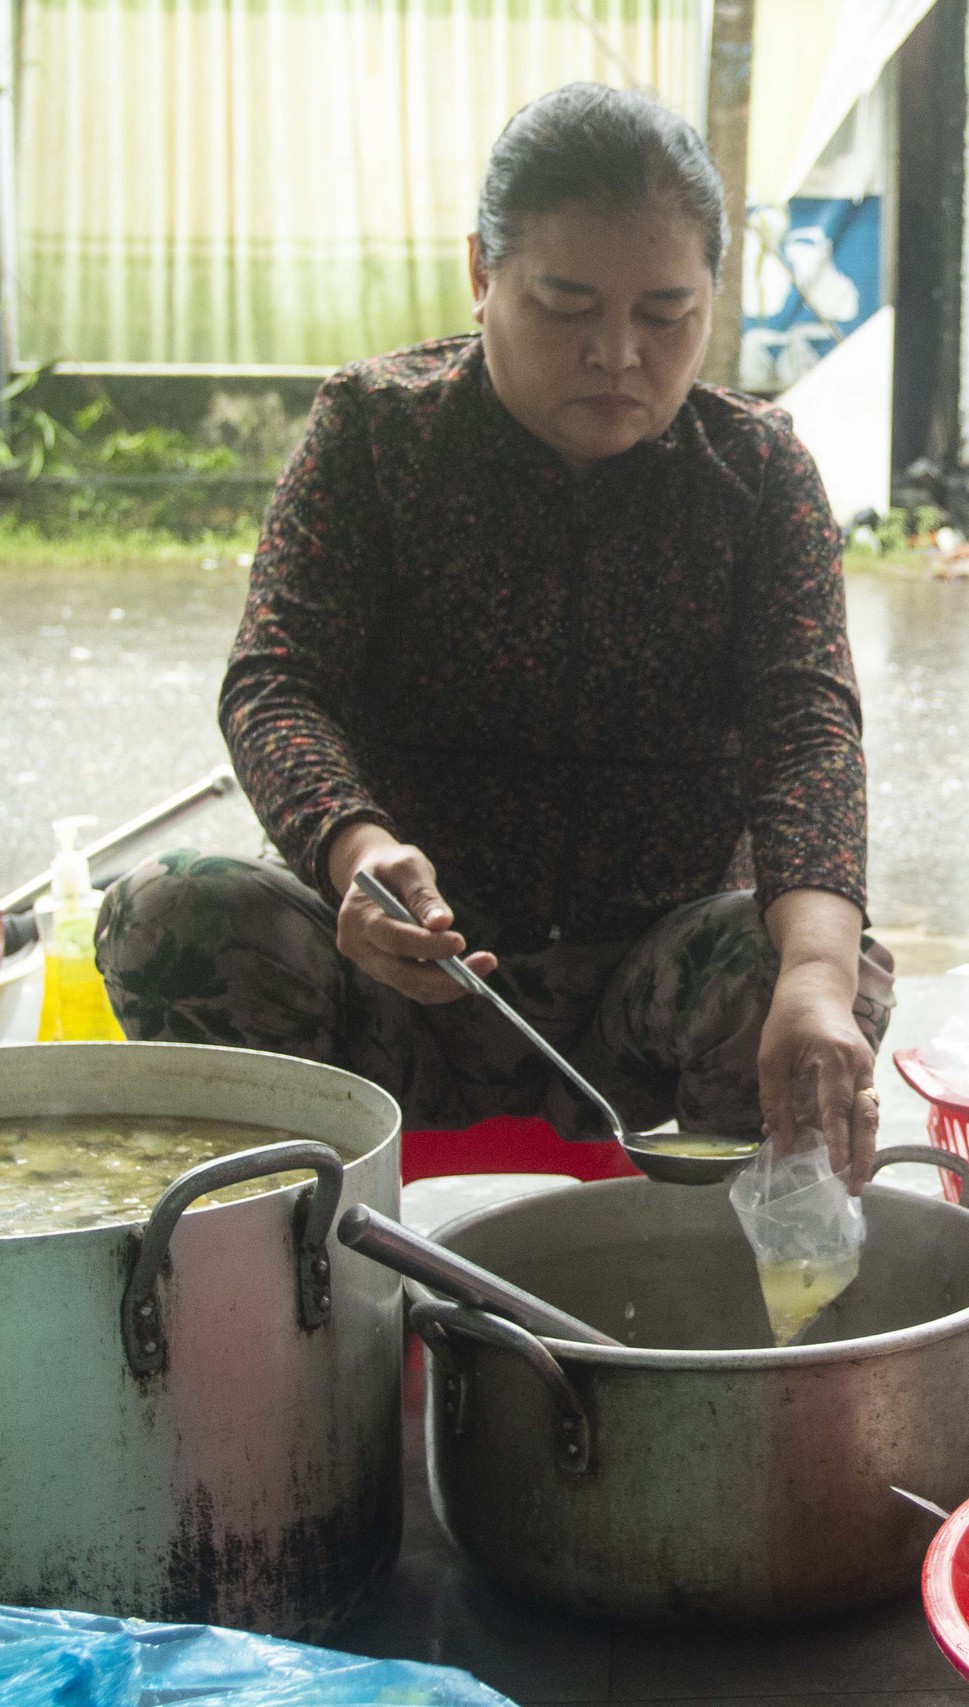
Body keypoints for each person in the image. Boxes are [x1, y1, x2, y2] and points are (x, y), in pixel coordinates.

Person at [99, 84, 888, 1174]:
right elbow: (278, 683)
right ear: (482, 274)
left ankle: (690, 1299)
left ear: (715, 294)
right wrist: (355, 851)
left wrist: (815, 980)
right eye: (567, 305)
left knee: (808, 969)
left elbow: (807, 732)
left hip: (646, 1007)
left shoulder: (758, 477)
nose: (618, 353)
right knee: (170, 911)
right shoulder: (375, 434)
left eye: (666, 315)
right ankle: (301, 1282)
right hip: (409, 985)